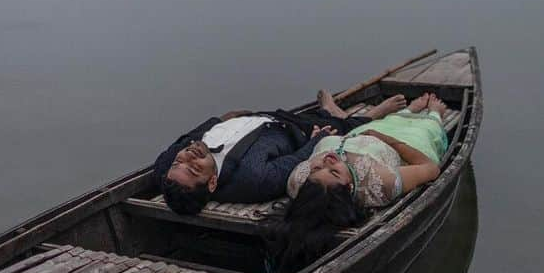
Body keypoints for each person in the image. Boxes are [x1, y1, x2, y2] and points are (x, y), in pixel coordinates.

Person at [268, 93, 451, 273]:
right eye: (334, 172)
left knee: (378, 124)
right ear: (348, 187)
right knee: (423, 130)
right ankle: (434, 114)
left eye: (316, 170)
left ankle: (407, 111)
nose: (327, 160)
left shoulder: (298, 180)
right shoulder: (381, 182)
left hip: (361, 133)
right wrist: (386, 139)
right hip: (402, 144)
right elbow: (430, 168)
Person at [152, 89, 408, 215]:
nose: (189, 155)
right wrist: (317, 140)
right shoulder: (253, 179)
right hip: (285, 130)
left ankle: (330, 110)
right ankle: (370, 115)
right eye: (195, 168)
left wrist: (218, 120)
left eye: (180, 162)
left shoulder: (165, 169)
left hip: (255, 118)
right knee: (333, 127)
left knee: (316, 116)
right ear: (212, 182)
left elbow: (184, 141)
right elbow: (295, 161)